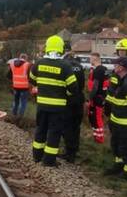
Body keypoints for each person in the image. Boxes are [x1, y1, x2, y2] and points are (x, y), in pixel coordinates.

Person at [29, 35, 77, 166]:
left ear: (47, 47)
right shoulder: (65, 66)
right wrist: (65, 93)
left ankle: (37, 156)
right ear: (61, 49)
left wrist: (43, 86)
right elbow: (73, 88)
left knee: (40, 129)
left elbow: (32, 79)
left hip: (42, 104)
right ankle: (49, 160)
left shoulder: (39, 63)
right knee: (54, 132)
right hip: (58, 107)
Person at [61, 44, 85, 162]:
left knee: (67, 127)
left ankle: (69, 152)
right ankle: (75, 150)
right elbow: (82, 85)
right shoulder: (80, 66)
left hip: (68, 100)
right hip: (79, 99)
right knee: (76, 127)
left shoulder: (65, 66)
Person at [86, 53, 108, 144]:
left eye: (90, 59)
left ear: (94, 59)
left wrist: (89, 98)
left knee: (97, 118)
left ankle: (99, 139)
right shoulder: (104, 69)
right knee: (94, 118)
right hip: (102, 97)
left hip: (97, 98)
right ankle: (96, 136)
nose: (89, 60)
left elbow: (95, 86)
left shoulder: (98, 71)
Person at [8, 53, 32, 117]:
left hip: (15, 86)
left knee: (16, 101)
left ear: (19, 57)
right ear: (26, 58)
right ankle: (20, 117)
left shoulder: (13, 65)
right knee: (23, 103)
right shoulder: (27, 65)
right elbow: (31, 77)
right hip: (24, 87)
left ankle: (14, 115)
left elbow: (8, 76)